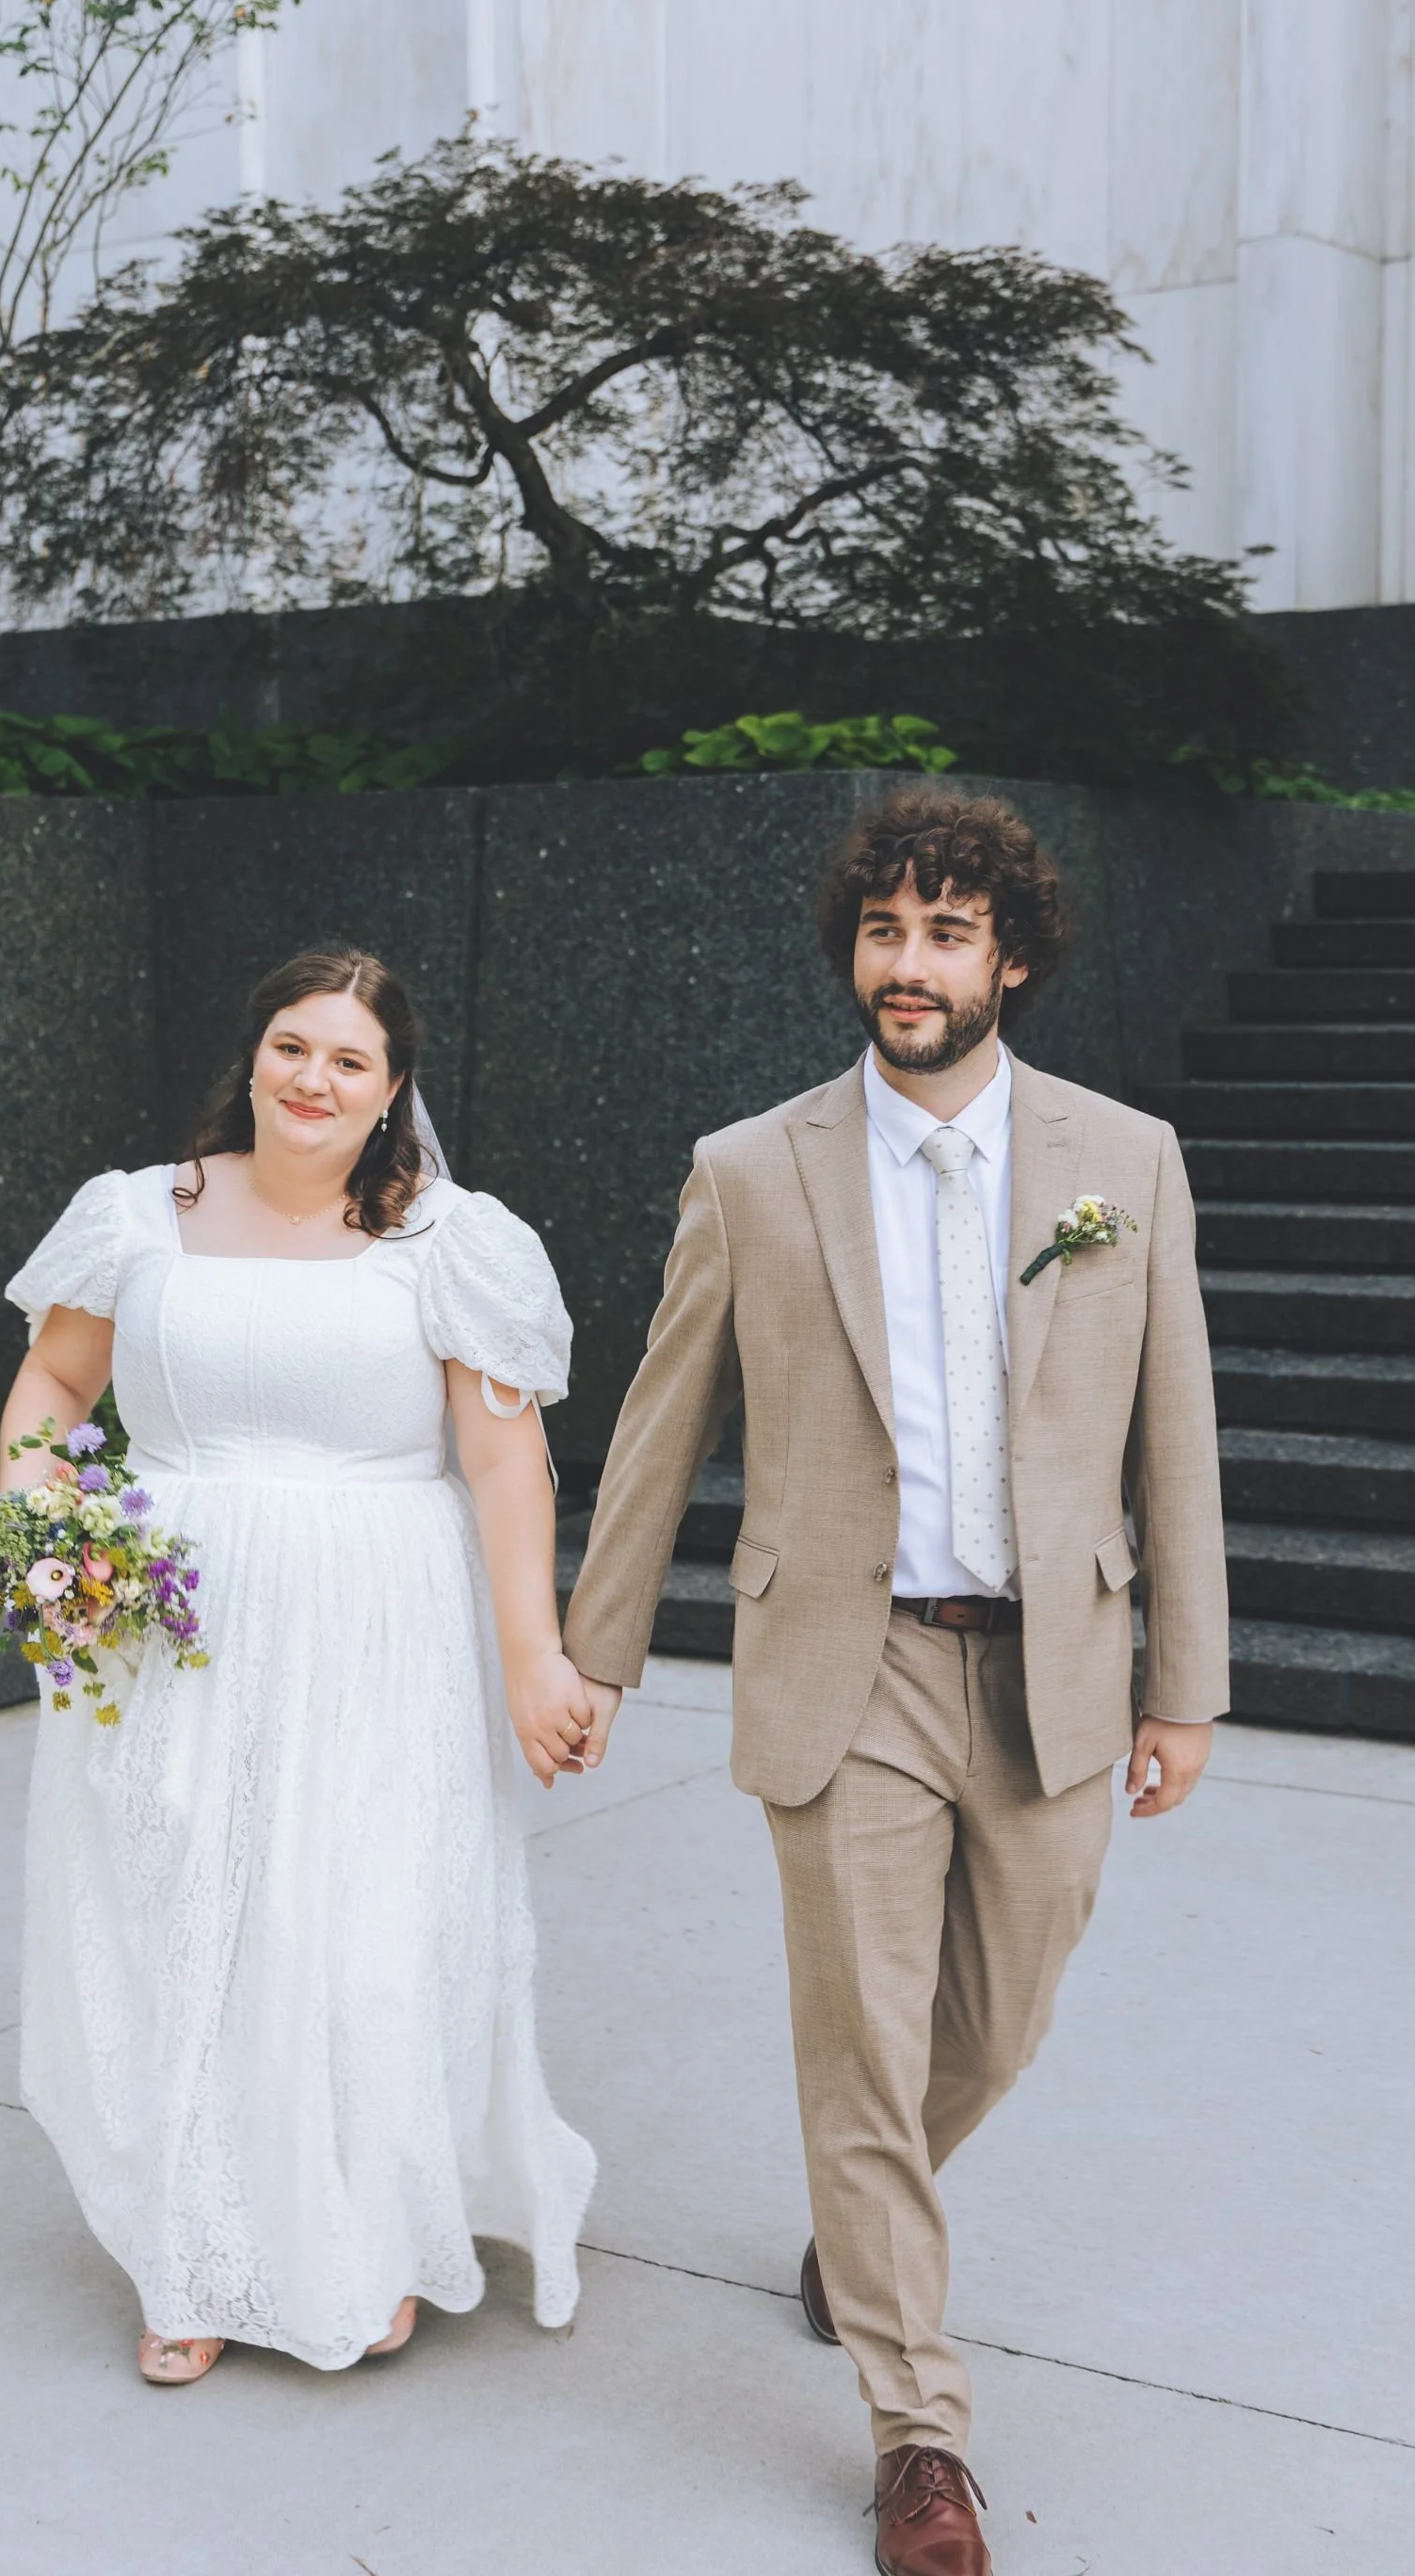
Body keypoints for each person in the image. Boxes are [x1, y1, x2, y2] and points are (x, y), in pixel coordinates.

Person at [562, 794, 1228, 2574]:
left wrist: (1190, 1685)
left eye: (945, 932)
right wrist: (592, 1653)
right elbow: (657, 1426)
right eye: (883, 930)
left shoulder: (1124, 1158)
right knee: (859, 2042)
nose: (907, 963)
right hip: (841, 1668)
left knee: (996, 2021)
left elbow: (1180, 1438)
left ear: (1009, 955)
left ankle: (861, 2231)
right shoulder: (752, 1167)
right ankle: (917, 2431)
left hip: (1056, 1669)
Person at [0, 947, 597, 2385]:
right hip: (168, 1615)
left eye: (347, 1059)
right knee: (177, 1914)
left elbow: (505, 1459)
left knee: (360, 1918)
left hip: (379, 1618)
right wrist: (40, 1529)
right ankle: (192, 2252)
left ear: (393, 1092)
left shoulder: (451, 1239)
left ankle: (368, 2239)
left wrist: (534, 1657)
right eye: (291, 1046)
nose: (311, 1079)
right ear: (253, 1057)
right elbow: (56, 1386)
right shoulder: (139, 1215)